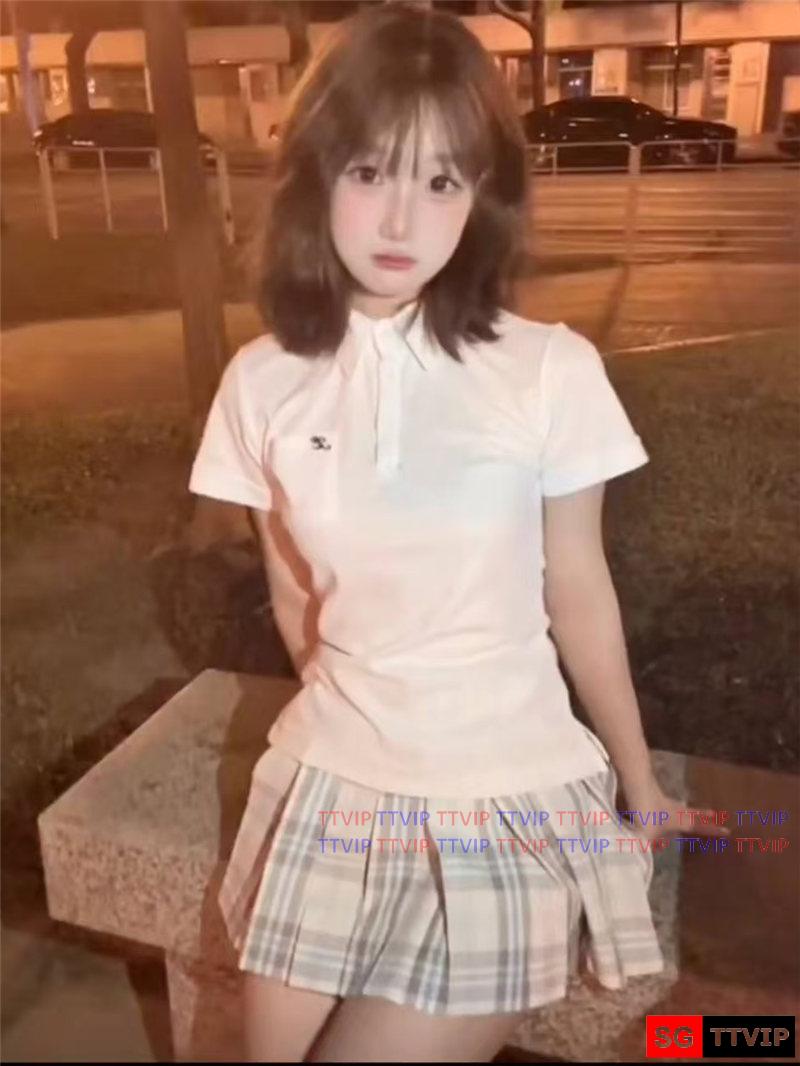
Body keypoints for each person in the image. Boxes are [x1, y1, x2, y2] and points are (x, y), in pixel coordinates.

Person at [188, 4, 729, 1061]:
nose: (402, 220)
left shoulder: (546, 368)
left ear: (481, 198)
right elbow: (295, 588)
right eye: (370, 172)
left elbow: (577, 588)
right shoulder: (261, 382)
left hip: (503, 797)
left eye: (441, 182)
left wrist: (639, 785)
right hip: (334, 788)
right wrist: (359, 724)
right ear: (315, 175)